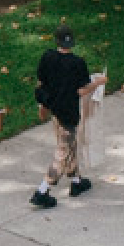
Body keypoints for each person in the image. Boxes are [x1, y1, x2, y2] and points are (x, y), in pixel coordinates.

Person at [31, 26, 101, 207]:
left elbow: (41, 84)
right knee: (62, 152)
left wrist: (42, 106)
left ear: (57, 41)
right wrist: (98, 82)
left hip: (54, 109)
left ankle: (76, 182)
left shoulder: (47, 57)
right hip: (68, 113)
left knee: (70, 145)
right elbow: (81, 90)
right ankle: (42, 191)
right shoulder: (77, 63)